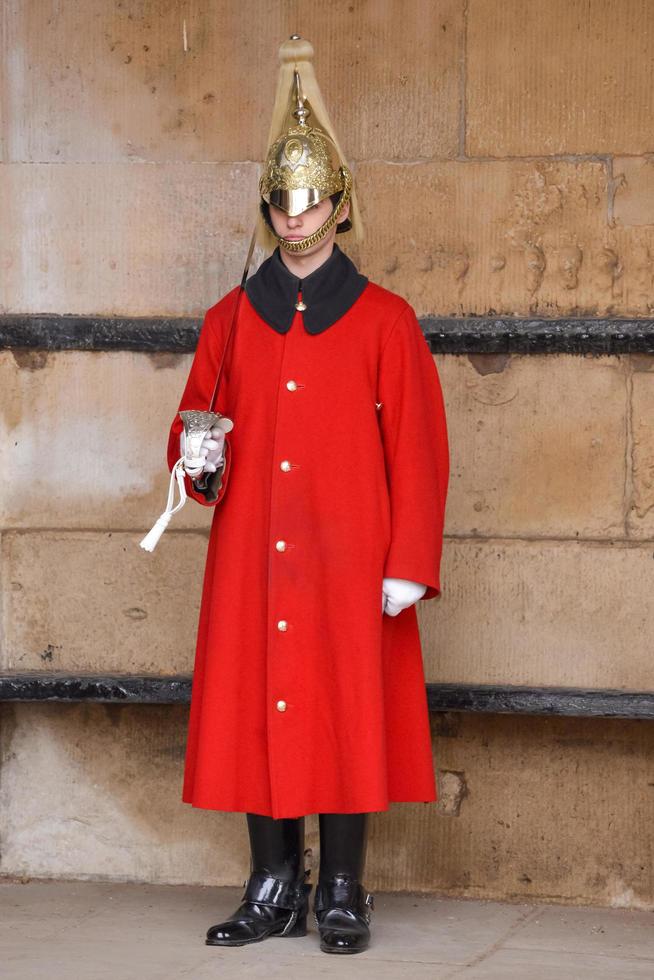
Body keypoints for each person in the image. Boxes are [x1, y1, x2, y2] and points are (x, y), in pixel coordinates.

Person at [165, 35, 449, 955]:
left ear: (338, 204)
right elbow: (193, 424)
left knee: (344, 711)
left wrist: (408, 563)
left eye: (311, 201)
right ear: (270, 210)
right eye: (283, 204)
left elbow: (420, 450)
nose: (296, 218)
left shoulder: (386, 322)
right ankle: (272, 883)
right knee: (260, 706)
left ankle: (343, 889)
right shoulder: (227, 319)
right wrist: (194, 458)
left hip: (351, 556)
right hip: (254, 553)